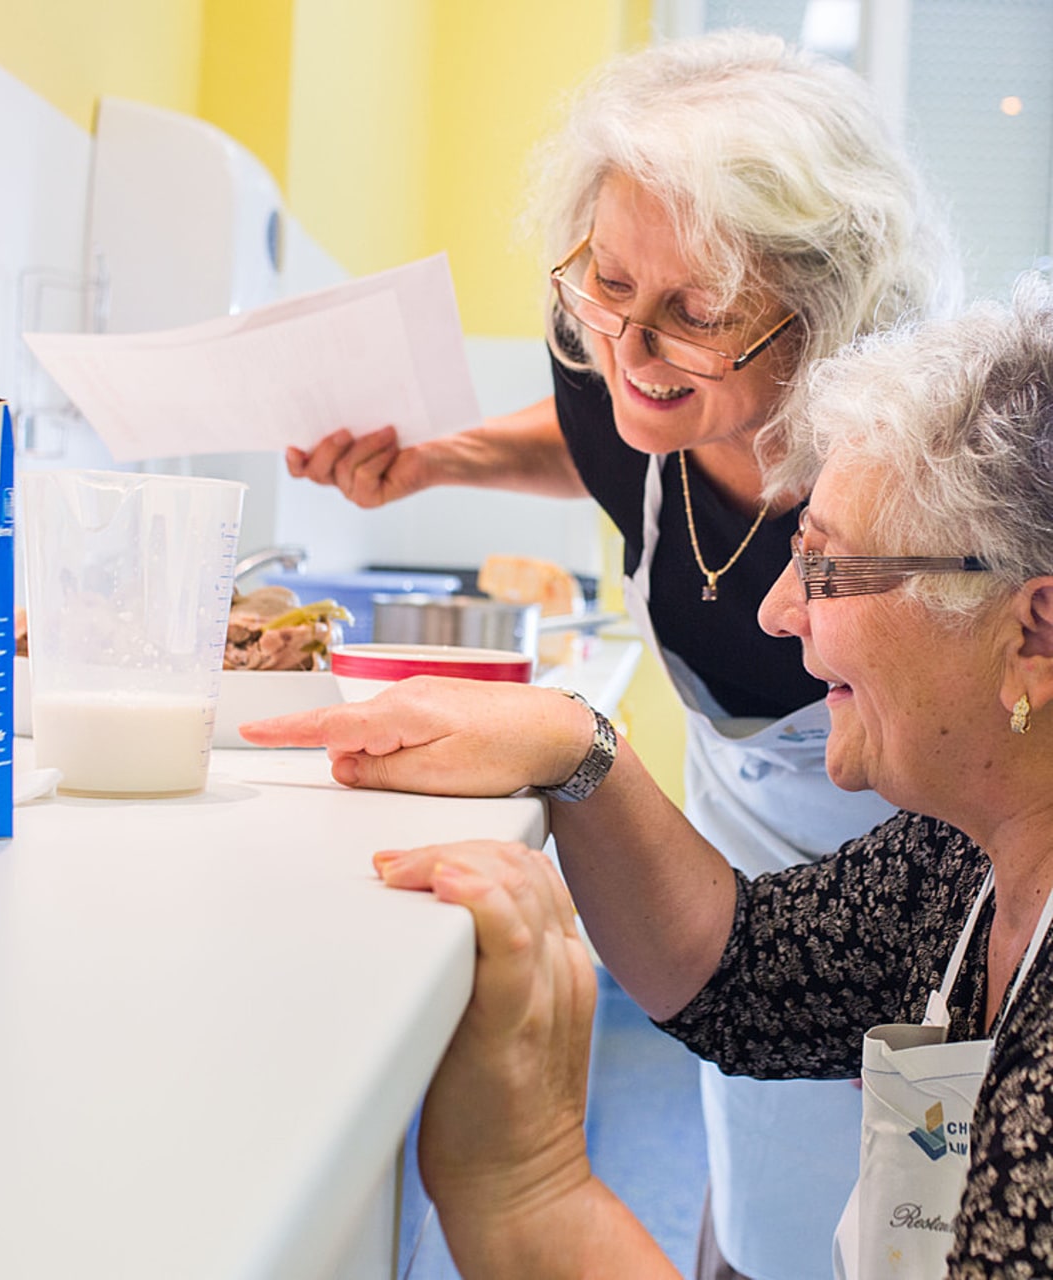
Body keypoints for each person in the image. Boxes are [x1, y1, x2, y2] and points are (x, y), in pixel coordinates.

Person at [283, 29, 961, 1280]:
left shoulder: (908, 491)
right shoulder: (614, 366)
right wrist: (443, 458)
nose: (629, 352)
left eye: (695, 315)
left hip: (909, 903)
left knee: (895, 1221)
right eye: (604, 284)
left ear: (822, 315)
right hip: (729, 885)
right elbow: (601, 429)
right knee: (755, 1176)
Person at [242, 277, 1053, 1276]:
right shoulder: (964, 859)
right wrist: (571, 743)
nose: (776, 612)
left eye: (830, 569)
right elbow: (746, 967)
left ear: (1032, 631)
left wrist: (530, 1184)